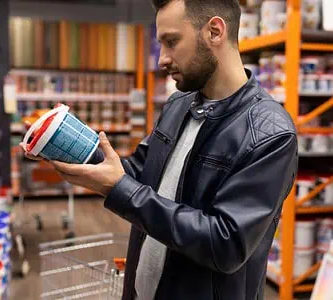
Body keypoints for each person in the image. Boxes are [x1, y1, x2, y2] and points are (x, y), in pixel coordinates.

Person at [23, 0, 298, 299]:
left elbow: (225, 245)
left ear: (215, 32)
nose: (161, 59)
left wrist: (121, 190)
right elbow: (140, 173)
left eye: (172, 42)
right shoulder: (179, 105)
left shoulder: (270, 133)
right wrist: (68, 145)